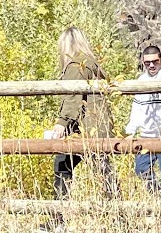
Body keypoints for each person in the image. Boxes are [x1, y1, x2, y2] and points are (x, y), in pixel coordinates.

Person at [45, 28, 114, 199]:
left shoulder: (76, 65)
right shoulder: (91, 63)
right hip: (96, 125)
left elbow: (72, 96)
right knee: (102, 170)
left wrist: (62, 122)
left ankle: (59, 215)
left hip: (86, 127)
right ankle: (118, 216)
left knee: (64, 166)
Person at [125, 44, 161, 198]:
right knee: (141, 169)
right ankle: (158, 197)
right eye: (147, 63)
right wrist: (131, 131)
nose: (151, 65)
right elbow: (137, 108)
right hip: (146, 135)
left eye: (155, 62)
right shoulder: (141, 80)